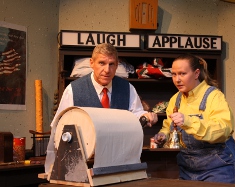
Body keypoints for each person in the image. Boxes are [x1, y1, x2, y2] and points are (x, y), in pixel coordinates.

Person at [44, 43, 158, 173]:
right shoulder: (73, 90)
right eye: (102, 63)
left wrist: (146, 116)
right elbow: (59, 127)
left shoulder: (128, 88)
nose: (107, 70)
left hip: (119, 161)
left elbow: (136, 114)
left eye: (111, 64)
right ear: (92, 63)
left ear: (117, 65)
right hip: (84, 164)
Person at [154, 53, 235, 184]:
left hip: (218, 167)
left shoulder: (214, 96)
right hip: (188, 168)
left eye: (182, 74)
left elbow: (224, 130)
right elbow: (168, 126)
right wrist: (163, 135)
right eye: (174, 74)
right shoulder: (175, 100)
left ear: (196, 73)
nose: (177, 79)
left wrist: (188, 121)